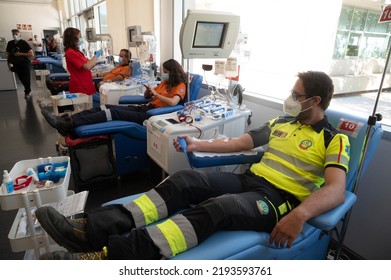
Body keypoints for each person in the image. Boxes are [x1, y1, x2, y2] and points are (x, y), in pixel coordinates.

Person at [36, 71, 350, 260]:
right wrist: (198, 144)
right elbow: (242, 142)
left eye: (297, 95)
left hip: (278, 200)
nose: (290, 98)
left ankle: (112, 256)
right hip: (251, 181)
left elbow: (336, 190)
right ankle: (90, 230)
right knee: (185, 180)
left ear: (316, 101)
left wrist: (300, 214)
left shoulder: (334, 139)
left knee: (219, 208)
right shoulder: (282, 122)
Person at [41, 58, 187, 137]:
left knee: (113, 113)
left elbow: (174, 102)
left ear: (173, 72)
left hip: (151, 115)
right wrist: (149, 92)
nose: (164, 74)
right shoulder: (164, 82)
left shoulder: (180, 85)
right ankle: (66, 120)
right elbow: (147, 96)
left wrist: (156, 94)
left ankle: (68, 126)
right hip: (145, 107)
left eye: (166, 71)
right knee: (106, 107)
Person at [63, 27, 103, 96]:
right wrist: (96, 56)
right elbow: (87, 66)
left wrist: (97, 61)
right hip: (80, 86)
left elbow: (88, 64)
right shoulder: (71, 52)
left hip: (85, 84)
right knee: (84, 106)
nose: (81, 39)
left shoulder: (77, 52)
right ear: (73, 39)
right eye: (79, 37)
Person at [6, 29, 34, 100]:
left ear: (19, 35)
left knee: (27, 79)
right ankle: (28, 89)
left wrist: (20, 54)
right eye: (13, 34)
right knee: (21, 79)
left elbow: (31, 54)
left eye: (16, 34)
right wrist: (8, 64)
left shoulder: (23, 43)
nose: (14, 36)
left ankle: (27, 92)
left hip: (25, 64)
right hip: (16, 64)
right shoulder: (10, 43)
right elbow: (8, 55)